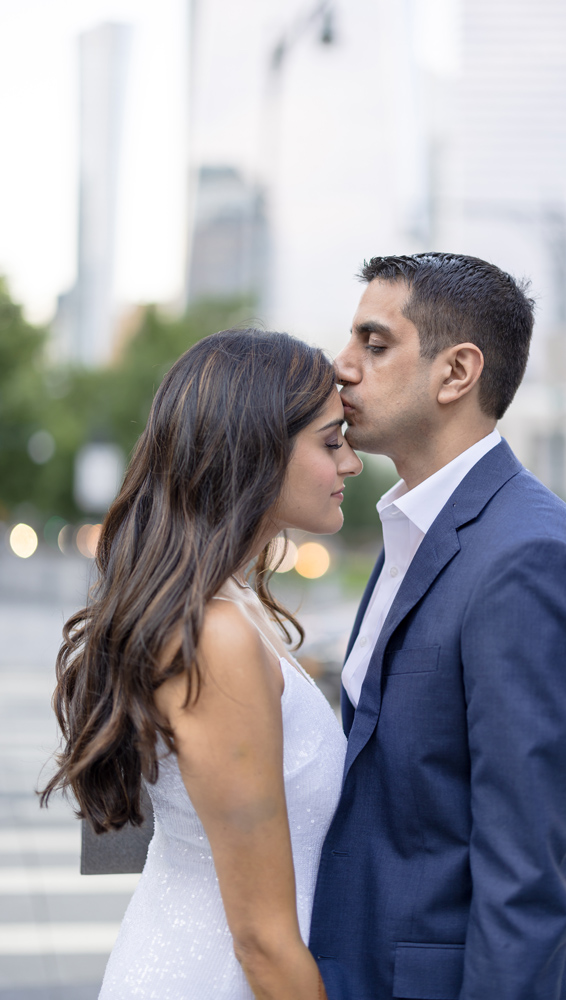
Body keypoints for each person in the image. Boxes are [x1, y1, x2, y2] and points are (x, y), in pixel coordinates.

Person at [308, 253, 566, 1000]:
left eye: (373, 344)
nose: (340, 367)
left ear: (456, 373)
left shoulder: (528, 557)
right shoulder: (416, 529)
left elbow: (528, 872)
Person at [41, 329, 362, 1000]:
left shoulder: (227, 608)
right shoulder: (216, 636)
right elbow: (262, 942)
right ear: (258, 451)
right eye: (331, 442)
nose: (351, 464)